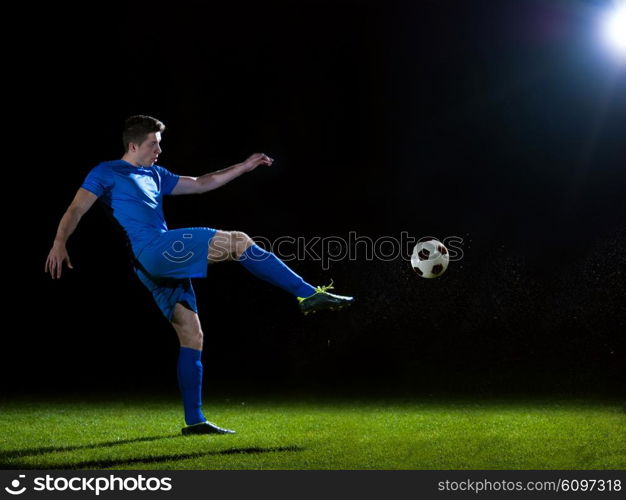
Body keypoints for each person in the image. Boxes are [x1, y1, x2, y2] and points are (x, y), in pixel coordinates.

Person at [45, 115, 354, 435]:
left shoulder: (155, 174)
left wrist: (243, 167)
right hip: (154, 250)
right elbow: (76, 209)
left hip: (150, 266)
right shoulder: (107, 171)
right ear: (133, 145)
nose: (159, 150)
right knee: (238, 241)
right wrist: (59, 242)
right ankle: (307, 293)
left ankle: (195, 421)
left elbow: (201, 182)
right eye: (154, 144)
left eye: (160, 144)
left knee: (192, 335)